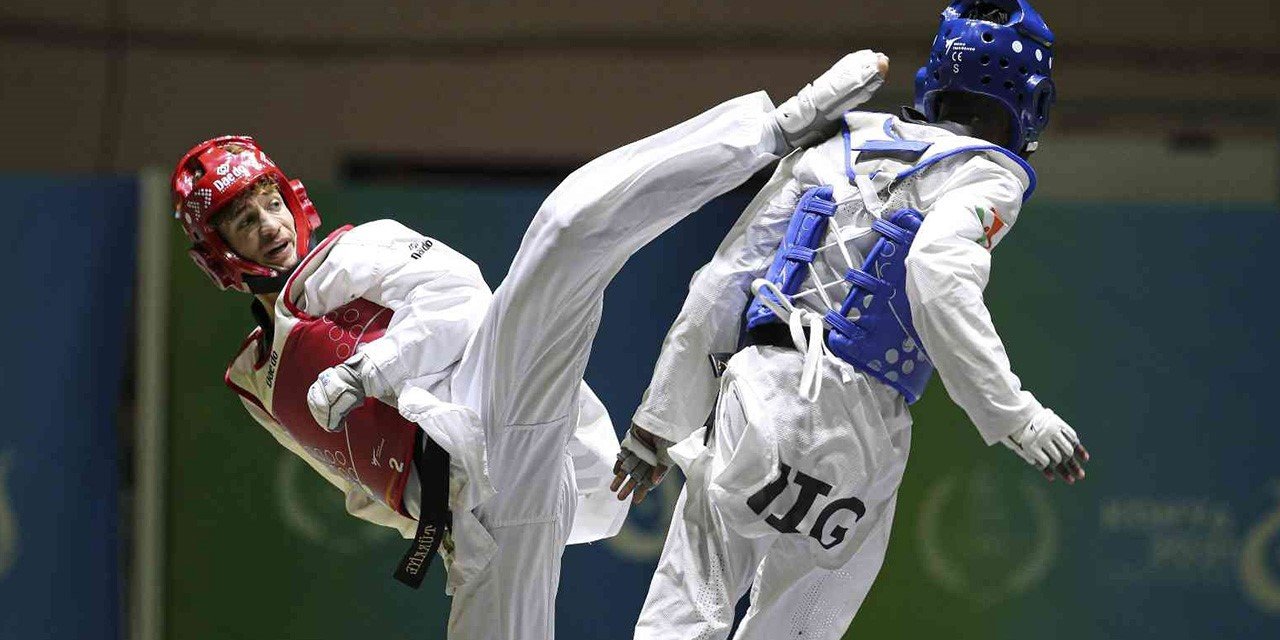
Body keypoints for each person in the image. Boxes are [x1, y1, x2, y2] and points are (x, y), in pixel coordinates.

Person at [170, 52, 885, 640]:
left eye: (269, 203)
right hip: (476, 517)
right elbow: (356, 483)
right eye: (243, 221)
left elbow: (460, 304)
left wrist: (369, 370)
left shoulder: (354, 253)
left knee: (566, 229)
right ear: (218, 252)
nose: (270, 227)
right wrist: (437, 521)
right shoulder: (255, 383)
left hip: (490, 397)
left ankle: (773, 128)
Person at [610, 2, 1091, 639]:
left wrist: (658, 424)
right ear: (1032, 101)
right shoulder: (986, 176)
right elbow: (938, 276)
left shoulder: (831, 144)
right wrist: (1017, 416)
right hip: (858, 428)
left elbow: (723, 282)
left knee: (683, 614)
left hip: (758, 394)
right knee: (799, 629)